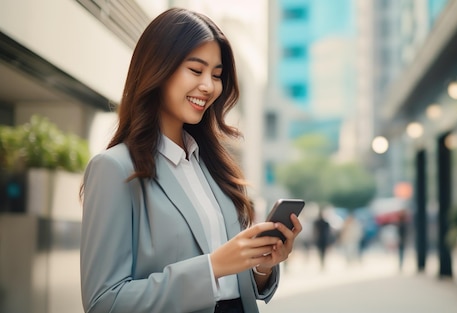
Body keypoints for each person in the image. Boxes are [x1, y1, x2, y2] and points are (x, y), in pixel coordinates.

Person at [79, 8, 302, 313]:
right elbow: (104, 302)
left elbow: (233, 284)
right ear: (158, 69)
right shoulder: (114, 168)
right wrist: (211, 268)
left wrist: (261, 266)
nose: (209, 86)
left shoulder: (213, 166)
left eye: (217, 75)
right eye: (196, 71)